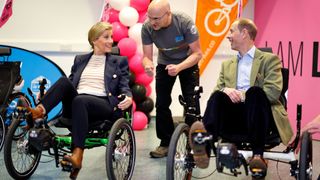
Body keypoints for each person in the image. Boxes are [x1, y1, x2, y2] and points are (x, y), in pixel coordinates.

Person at [27, 21, 133, 179]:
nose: (111, 40)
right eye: (106, 37)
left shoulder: (119, 61)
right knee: (64, 82)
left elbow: (124, 84)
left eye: (111, 37)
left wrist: (128, 96)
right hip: (78, 103)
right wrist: (47, 96)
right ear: (94, 40)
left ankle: (78, 155)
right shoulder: (80, 59)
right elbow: (70, 84)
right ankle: (38, 112)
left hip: (102, 104)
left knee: (80, 100)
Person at [189, 18, 293, 177]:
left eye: (231, 31)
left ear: (244, 33)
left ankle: (257, 156)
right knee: (218, 94)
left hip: (260, 117)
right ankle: (204, 147)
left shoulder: (270, 60)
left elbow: (272, 93)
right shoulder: (227, 64)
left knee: (255, 93)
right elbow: (217, 90)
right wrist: (226, 90)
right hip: (233, 119)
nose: (228, 36)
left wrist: (242, 94)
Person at [141, 0, 203, 158]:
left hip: (188, 63)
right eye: (150, 18)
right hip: (164, 63)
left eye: (157, 18)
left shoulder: (184, 22)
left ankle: (195, 145)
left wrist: (179, 67)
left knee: (192, 104)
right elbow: (146, 57)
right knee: (161, 103)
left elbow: (198, 53)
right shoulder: (147, 27)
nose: (152, 22)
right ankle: (165, 143)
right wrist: (147, 65)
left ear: (168, 14)